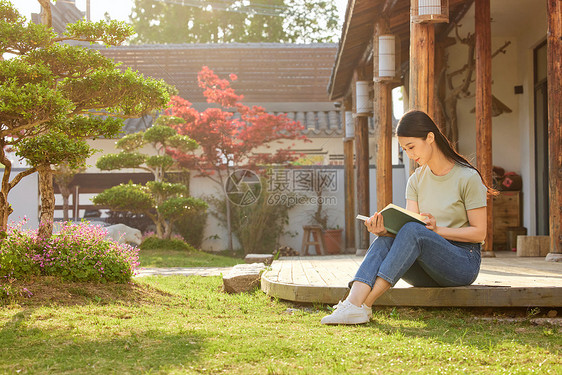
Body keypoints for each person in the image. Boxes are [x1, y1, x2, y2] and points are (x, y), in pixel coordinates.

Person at [321, 110, 496, 325]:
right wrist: (384, 230)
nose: (410, 154)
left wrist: (437, 230)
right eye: (405, 150)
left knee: (415, 231)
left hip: (462, 263)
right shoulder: (416, 180)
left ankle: (365, 305)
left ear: (430, 138)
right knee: (387, 238)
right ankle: (352, 303)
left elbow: (479, 233)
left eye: (411, 147)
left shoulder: (467, 177)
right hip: (424, 269)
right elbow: (407, 227)